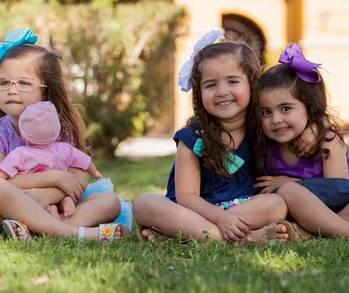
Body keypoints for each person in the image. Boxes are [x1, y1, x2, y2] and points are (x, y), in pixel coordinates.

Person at [0, 27, 130, 242]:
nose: (12, 90)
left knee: (110, 201)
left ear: (46, 90)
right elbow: (2, 181)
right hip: (9, 206)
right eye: (4, 82)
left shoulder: (61, 129)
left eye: (23, 83)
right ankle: (73, 233)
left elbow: (78, 180)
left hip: (59, 205)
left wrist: (48, 195)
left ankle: (34, 230)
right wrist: (54, 177)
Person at [132, 31, 316, 244]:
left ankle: (183, 235)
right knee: (143, 204)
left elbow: (297, 118)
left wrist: (316, 127)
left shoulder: (265, 126)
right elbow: (186, 197)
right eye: (211, 85)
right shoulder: (192, 137)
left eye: (232, 81)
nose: (222, 91)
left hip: (246, 210)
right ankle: (243, 238)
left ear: (252, 85)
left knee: (277, 204)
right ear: (198, 92)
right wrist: (221, 218)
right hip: (196, 212)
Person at [255, 43, 349, 242]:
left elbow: (338, 191)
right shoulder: (265, 142)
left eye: (285, 108)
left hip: (342, 208)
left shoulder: (327, 140)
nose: (275, 120)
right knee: (288, 193)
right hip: (297, 209)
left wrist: (295, 183)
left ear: (309, 108)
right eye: (266, 112)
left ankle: (309, 233)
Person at [0, 101, 102, 219]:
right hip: (55, 192)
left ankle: (48, 213)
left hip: (32, 195)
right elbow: (85, 161)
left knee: (23, 196)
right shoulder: (65, 149)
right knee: (104, 202)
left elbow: (3, 172)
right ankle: (63, 204)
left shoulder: (20, 153)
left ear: (25, 137)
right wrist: (94, 172)